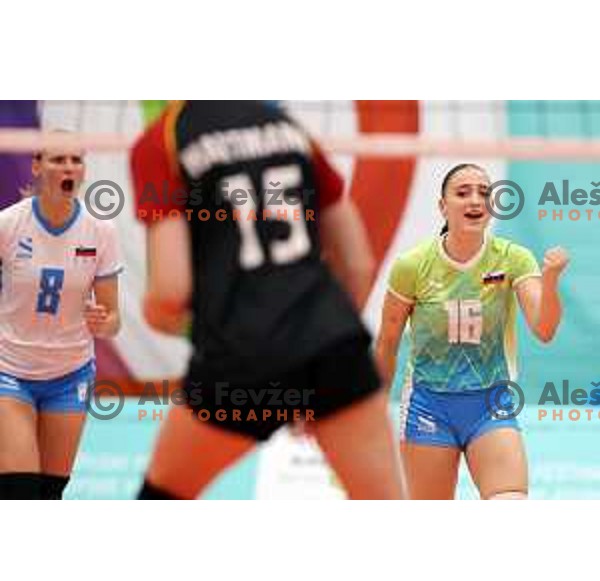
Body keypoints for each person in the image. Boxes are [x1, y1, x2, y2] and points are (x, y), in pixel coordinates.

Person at [131, 100, 407, 500]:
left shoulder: (164, 140)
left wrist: (161, 318)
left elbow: (170, 293)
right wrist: (321, 355)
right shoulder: (289, 128)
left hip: (241, 359)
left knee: (162, 497)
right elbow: (358, 265)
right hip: (331, 345)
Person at [376, 163, 568, 500]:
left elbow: (545, 329)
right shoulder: (412, 265)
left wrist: (550, 279)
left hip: (490, 404)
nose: (475, 200)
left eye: (484, 192)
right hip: (428, 406)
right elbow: (387, 342)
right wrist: (373, 414)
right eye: (462, 192)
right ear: (442, 206)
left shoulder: (514, 259)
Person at [0, 137, 122, 499]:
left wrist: (104, 320)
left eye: (76, 159)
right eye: (57, 159)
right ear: (37, 167)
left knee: (50, 494)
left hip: (70, 375)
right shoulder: (8, 224)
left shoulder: (101, 231)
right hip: (10, 370)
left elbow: (114, 319)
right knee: (18, 492)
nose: (68, 166)